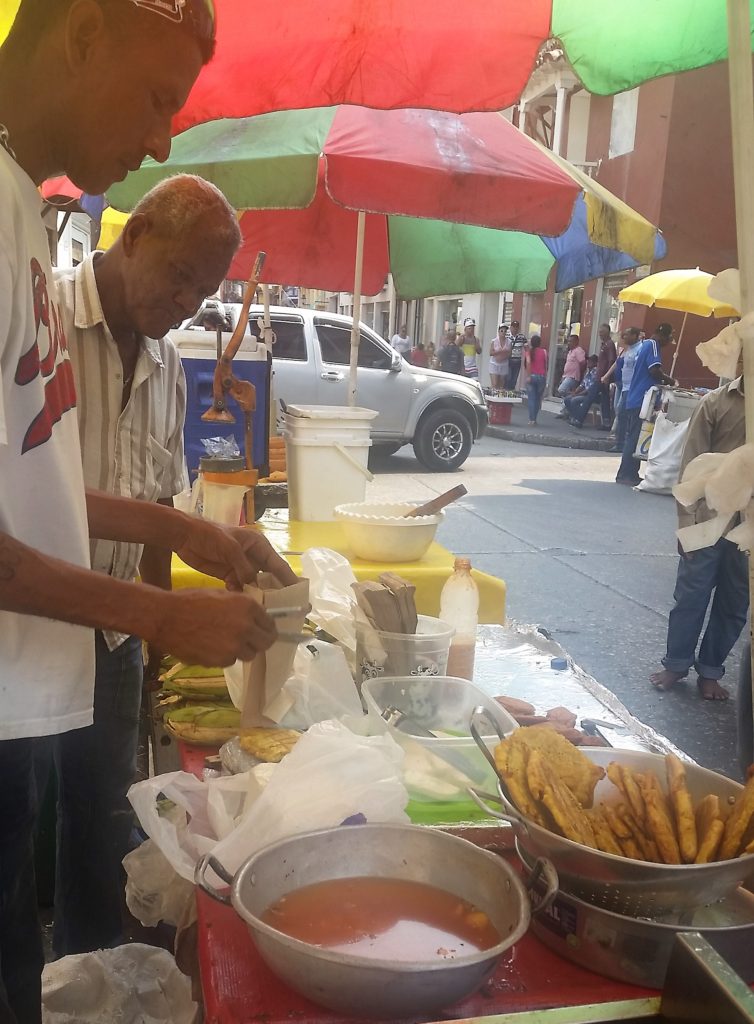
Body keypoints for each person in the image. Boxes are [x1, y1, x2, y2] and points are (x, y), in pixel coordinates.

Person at [0, 3, 292, 1019]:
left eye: (203, 292)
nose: (165, 130)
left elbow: (86, 499)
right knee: (26, 863)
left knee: (100, 835)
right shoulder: (23, 249)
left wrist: (183, 553)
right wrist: (166, 613)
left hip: (95, 654)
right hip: (24, 649)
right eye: (159, 96)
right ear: (80, 35)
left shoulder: (28, 222)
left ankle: (89, 982)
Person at [52, 173, 242, 957]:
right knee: (26, 812)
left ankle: (89, 970)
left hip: (118, 640)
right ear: (133, 237)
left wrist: (157, 638)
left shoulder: (170, 366)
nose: (186, 302)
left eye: (205, 292)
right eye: (179, 277)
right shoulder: (45, 320)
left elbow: (160, 516)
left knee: (101, 819)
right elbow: (37, 501)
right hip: (34, 622)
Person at [650, 376, 747, 701]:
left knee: (735, 603)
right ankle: (676, 664)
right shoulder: (715, 403)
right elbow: (690, 464)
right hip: (708, 518)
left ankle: (710, 671)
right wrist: (685, 522)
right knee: (692, 597)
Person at [615, 322, 676, 486]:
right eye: (670, 338)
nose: (669, 342)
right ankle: (625, 474)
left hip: (635, 398)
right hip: (642, 399)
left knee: (634, 436)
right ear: (664, 335)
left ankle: (630, 473)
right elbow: (654, 370)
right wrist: (669, 380)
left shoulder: (645, 345)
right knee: (634, 437)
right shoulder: (653, 345)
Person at [603, 327, 641, 452]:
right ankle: (621, 441)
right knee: (620, 411)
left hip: (631, 388)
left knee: (623, 413)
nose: (624, 337)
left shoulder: (640, 350)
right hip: (623, 385)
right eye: (623, 335)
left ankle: (621, 443)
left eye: (627, 335)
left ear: (635, 336)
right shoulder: (628, 349)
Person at [565, 354, 601, 427]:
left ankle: (578, 419)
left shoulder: (595, 372)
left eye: (590, 361)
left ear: (595, 363)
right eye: (588, 361)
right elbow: (582, 385)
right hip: (585, 394)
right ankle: (576, 417)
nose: (588, 362)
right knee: (567, 399)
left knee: (574, 400)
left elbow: (589, 389)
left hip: (591, 396)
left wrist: (578, 394)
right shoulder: (588, 372)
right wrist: (574, 392)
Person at [555, 334, 586, 415]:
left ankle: (573, 395)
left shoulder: (579, 350)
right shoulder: (570, 352)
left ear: (576, 342)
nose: (569, 343)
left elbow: (583, 363)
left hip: (573, 376)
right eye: (568, 341)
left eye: (571, 341)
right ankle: (565, 412)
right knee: (564, 396)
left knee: (561, 390)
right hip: (566, 375)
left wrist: (579, 372)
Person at [595, 323, 617, 428]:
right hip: (600, 376)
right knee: (604, 399)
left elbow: (611, 360)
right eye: (599, 332)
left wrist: (607, 376)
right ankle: (606, 421)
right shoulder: (603, 344)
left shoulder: (609, 344)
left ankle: (579, 418)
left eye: (602, 332)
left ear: (608, 333)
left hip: (604, 377)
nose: (600, 334)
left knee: (600, 398)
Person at [525, 335, 548, 425]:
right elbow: (546, 365)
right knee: (538, 399)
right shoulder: (544, 352)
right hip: (542, 377)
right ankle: (535, 417)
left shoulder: (529, 352)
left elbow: (528, 363)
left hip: (532, 376)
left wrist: (528, 376)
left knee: (531, 398)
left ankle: (531, 419)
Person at [488, 324, 510, 389]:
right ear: (499, 331)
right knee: (494, 384)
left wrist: (504, 356)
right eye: (502, 331)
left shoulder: (509, 342)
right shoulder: (494, 341)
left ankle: (499, 397)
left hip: (504, 364)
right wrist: (499, 352)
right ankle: (492, 397)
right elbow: (491, 353)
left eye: (505, 331)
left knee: (501, 384)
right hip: (494, 364)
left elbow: (509, 353)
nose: (503, 333)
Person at [506, 319, 527, 389]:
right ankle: (507, 391)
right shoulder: (507, 336)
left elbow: (526, 346)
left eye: (516, 327)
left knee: (514, 379)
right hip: (509, 360)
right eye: (513, 327)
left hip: (517, 361)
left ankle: (511, 392)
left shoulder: (522, 337)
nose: (515, 329)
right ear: (511, 327)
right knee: (508, 378)